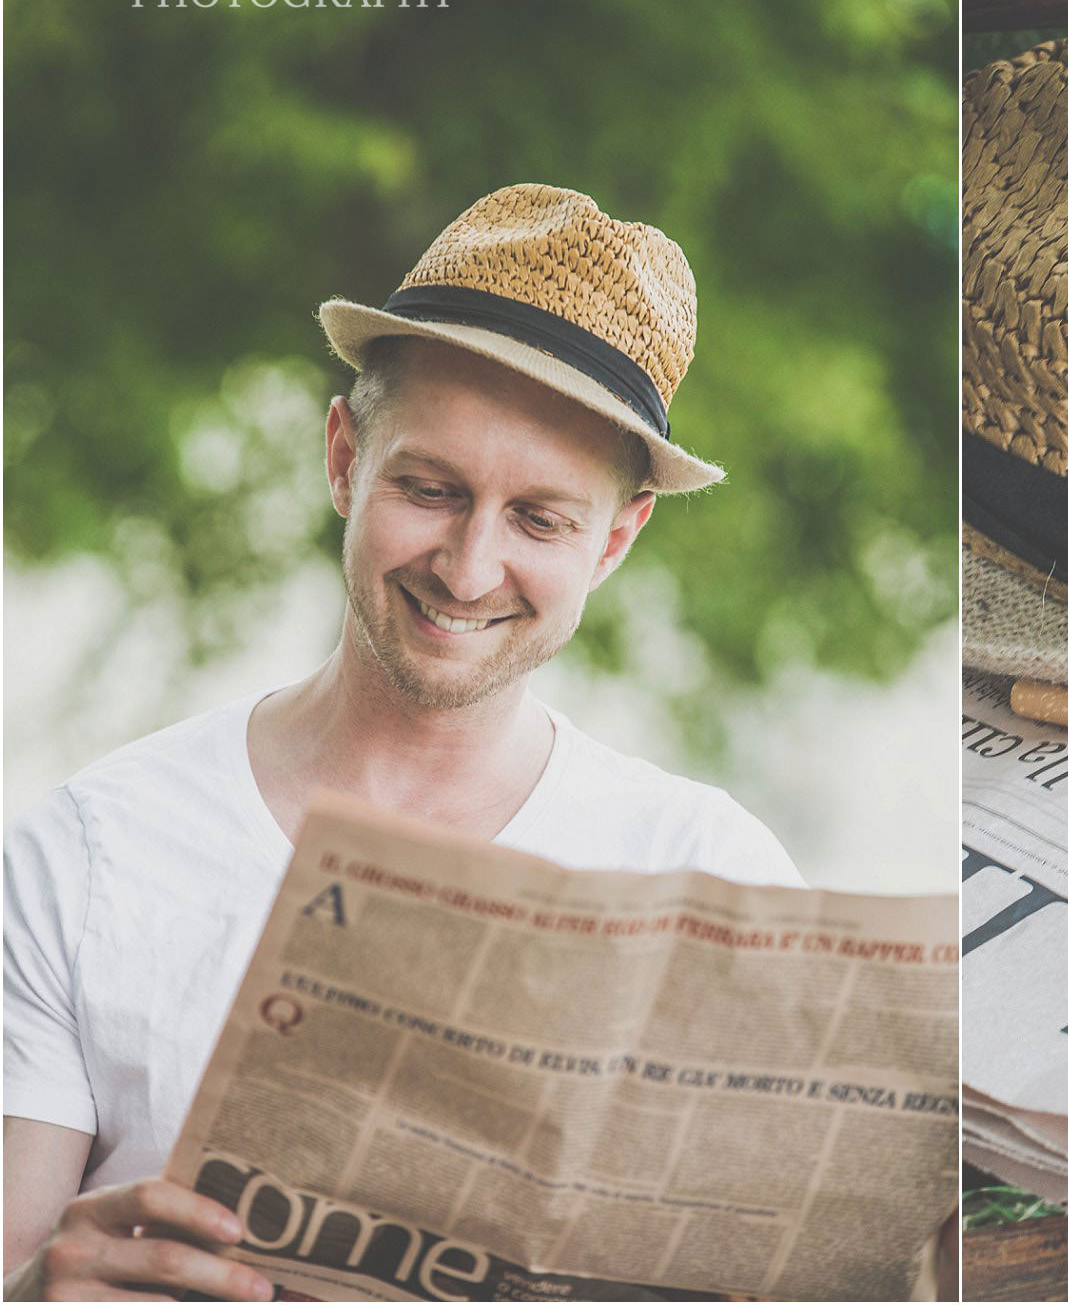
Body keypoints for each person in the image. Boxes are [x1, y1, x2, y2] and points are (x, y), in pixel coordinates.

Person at [3, 185, 803, 1301]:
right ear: (343, 461)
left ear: (617, 543)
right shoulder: (85, 856)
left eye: (540, 520)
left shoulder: (710, 872)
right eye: (430, 490)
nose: (469, 570)